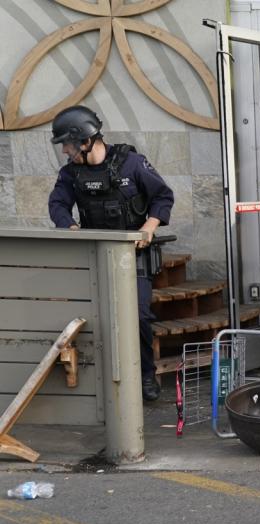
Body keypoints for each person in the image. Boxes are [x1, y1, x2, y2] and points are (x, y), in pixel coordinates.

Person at [47, 105, 173, 402]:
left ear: (85, 140)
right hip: (96, 255)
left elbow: (163, 196)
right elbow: (57, 205)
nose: (65, 150)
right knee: (94, 319)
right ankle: (104, 378)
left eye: (67, 143)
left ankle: (145, 374)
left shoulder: (131, 163)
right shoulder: (70, 174)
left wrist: (150, 227)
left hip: (134, 255)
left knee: (139, 316)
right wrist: (72, 227)